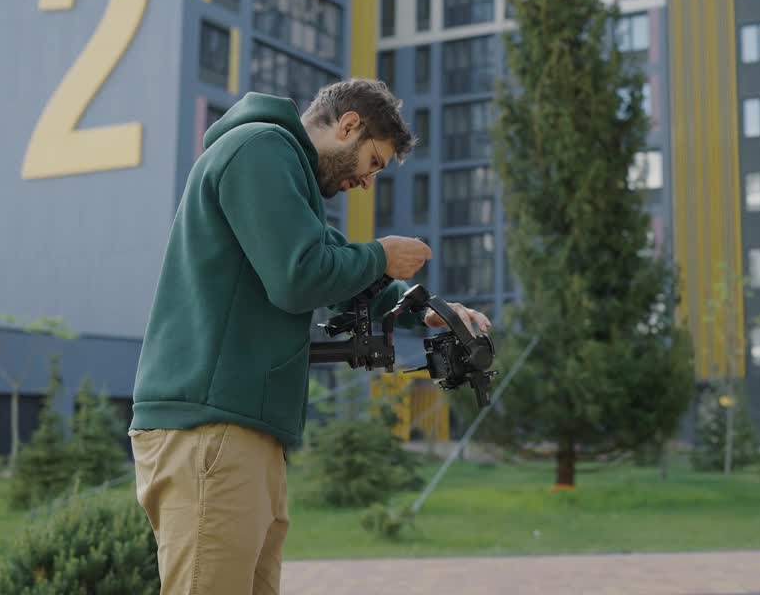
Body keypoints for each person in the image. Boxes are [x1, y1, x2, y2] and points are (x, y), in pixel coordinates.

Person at [129, 79, 491, 594]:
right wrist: (382, 254)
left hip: (241, 431)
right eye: (374, 162)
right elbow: (299, 276)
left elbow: (337, 277)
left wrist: (425, 312)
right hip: (210, 428)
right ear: (348, 126)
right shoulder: (260, 149)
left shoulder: (287, 173)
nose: (367, 181)